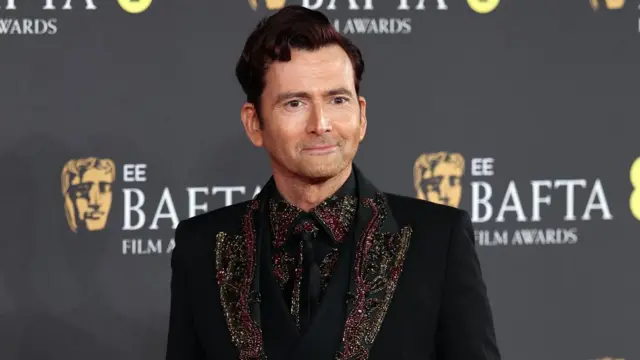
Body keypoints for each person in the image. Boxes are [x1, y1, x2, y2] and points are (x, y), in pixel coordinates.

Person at [165, 5, 501, 360]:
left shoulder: (438, 241)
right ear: (254, 123)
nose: (321, 123)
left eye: (337, 99)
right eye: (295, 103)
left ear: (362, 116)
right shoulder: (200, 247)